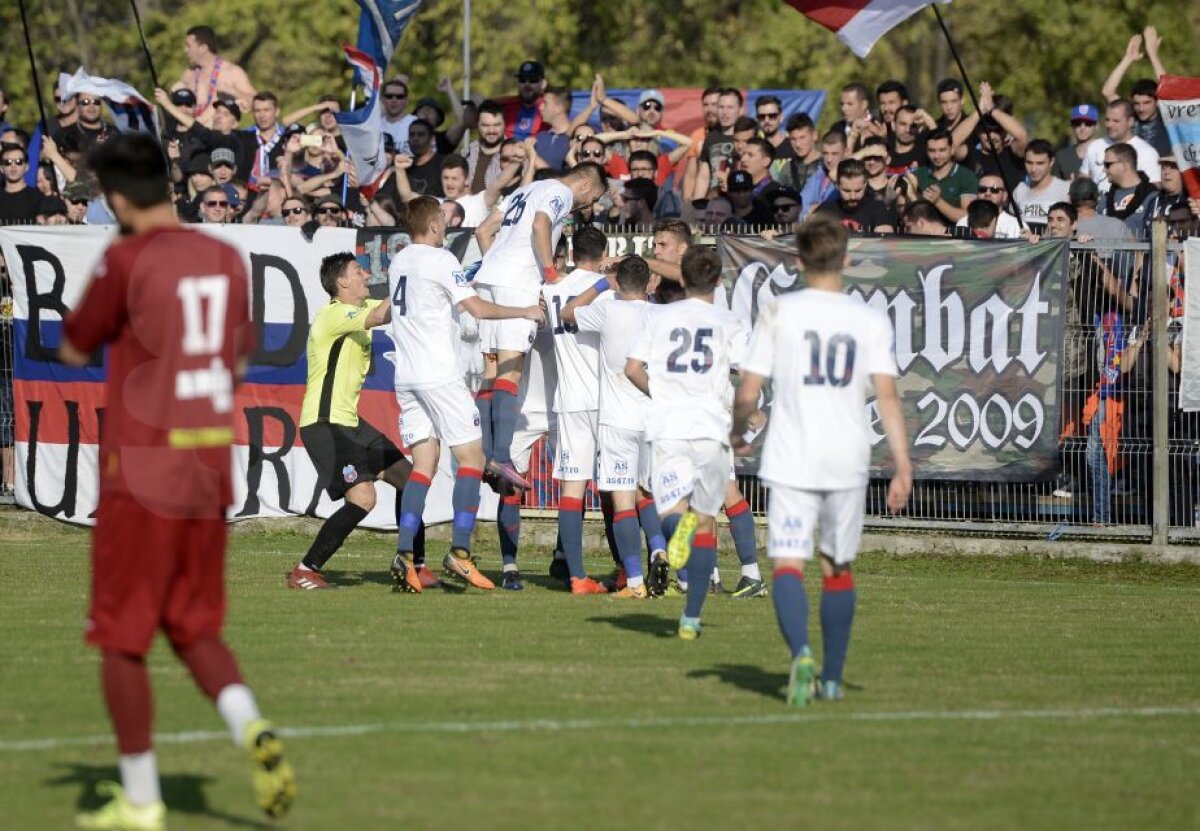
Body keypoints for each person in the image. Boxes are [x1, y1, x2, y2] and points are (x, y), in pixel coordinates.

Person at [58, 133, 294, 829]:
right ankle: (251, 726)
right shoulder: (224, 257)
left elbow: (74, 343)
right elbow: (243, 357)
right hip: (210, 467)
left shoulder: (126, 257)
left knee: (121, 637)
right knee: (193, 624)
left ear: (117, 198)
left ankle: (141, 797)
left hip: (144, 470)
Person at [732, 214, 912, 707]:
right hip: (847, 457)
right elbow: (888, 397)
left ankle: (802, 652)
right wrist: (903, 464)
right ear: (848, 260)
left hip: (792, 455)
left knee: (788, 563)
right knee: (837, 567)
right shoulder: (868, 319)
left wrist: (736, 432)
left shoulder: (778, 311)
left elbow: (749, 389)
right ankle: (832, 676)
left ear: (797, 260)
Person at [388, 197, 545, 592]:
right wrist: (524, 310)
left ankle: (405, 554)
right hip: (439, 377)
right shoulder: (441, 260)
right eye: (443, 219)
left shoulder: (399, 260)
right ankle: (460, 553)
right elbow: (477, 309)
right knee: (472, 459)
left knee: (423, 465)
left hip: (406, 377)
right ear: (436, 225)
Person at [624, 248, 749, 639]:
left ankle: (679, 526)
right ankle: (691, 618)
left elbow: (632, 368)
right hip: (711, 428)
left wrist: (660, 394)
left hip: (669, 426)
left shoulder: (659, 316)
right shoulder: (731, 322)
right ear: (717, 282)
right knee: (707, 521)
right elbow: (747, 374)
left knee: (672, 512)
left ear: (682, 277)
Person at [472, 162, 607, 491]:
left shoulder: (525, 188)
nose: (587, 206)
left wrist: (497, 266)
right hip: (517, 285)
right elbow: (541, 223)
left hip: (488, 278)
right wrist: (549, 273)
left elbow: (482, 230)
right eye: (592, 199)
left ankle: (487, 453)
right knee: (510, 373)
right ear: (586, 184)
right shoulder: (559, 191)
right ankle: (501, 456)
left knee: (493, 369)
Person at [286, 253, 413, 590]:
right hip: (325, 423)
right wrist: (415, 270)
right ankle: (305, 569)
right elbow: (385, 310)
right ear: (341, 282)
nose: (366, 274)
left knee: (410, 482)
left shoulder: (358, 306)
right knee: (363, 498)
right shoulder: (334, 314)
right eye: (358, 271)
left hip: (351, 422)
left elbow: (396, 301)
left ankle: (414, 565)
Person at [562, 255, 664, 598]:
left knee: (623, 502)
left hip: (617, 419)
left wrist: (603, 283)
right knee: (646, 494)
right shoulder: (661, 314)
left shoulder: (608, 311)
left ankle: (634, 581)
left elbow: (568, 312)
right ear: (650, 283)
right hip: (653, 419)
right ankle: (660, 550)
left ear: (620, 282)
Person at [536, 226, 613, 594]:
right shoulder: (606, 293)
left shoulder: (550, 291)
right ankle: (631, 569)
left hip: (567, 402)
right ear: (603, 253)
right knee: (624, 487)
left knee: (572, 488)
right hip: (606, 399)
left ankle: (577, 575)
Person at [172, 25, 257, 128]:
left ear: (203, 48)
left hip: (219, 140)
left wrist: (232, 91)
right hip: (191, 139)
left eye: (188, 46)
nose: (185, 50)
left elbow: (258, 103)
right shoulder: (188, 74)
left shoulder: (232, 72)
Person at [1013, 138, 1070, 233]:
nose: (1033, 169)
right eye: (1029, 162)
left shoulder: (1065, 190)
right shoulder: (1019, 189)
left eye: (1040, 163)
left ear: (1051, 162)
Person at [1053, 104, 1099, 180]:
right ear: (1072, 125)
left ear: (1096, 126)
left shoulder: (1105, 154)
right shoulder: (1061, 157)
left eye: (1088, 123)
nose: (1082, 128)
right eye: (1077, 123)